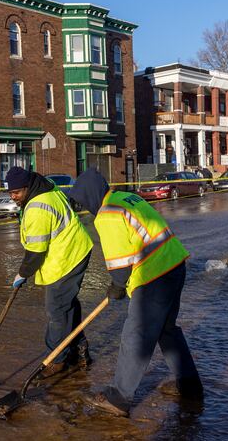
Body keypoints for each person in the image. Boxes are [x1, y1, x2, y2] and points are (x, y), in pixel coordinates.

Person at [67, 168, 203, 417]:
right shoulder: (126, 198)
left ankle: (118, 397)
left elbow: (120, 266)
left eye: (84, 201)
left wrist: (117, 287)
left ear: (90, 196)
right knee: (167, 330)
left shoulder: (107, 215)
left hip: (153, 275)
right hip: (174, 264)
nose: (85, 207)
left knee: (136, 334)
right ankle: (190, 385)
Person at [5, 166, 94, 378]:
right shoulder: (47, 188)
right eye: (10, 193)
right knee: (67, 306)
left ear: (27, 188)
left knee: (56, 310)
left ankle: (57, 359)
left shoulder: (38, 208)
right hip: (75, 249)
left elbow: (36, 252)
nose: (14, 197)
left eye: (16, 193)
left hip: (66, 257)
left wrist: (23, 273)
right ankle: (78, 351)